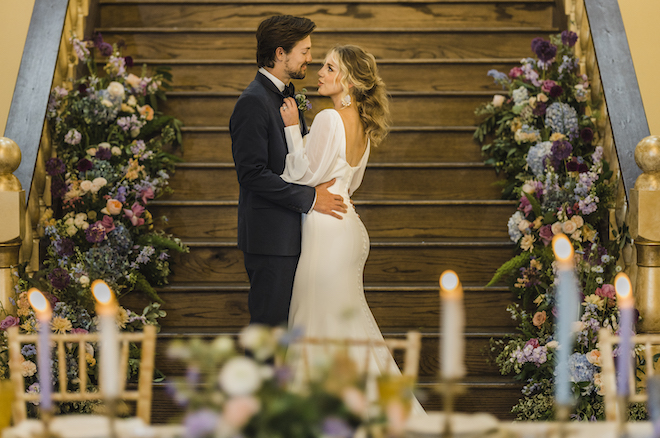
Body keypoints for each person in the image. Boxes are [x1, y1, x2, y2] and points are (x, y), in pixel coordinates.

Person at [279, 45, 425, 415]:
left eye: (330, 67)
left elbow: (299, 174)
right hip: (348, 228)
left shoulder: (330, 118)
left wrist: (293, 130)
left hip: (327, 231)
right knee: (345, 325)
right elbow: (349, 182)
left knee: (317, 324)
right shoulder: (362, 123)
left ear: (348, 80)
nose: (321, 72)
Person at [230, 15, 347, 327]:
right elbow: (252, 174)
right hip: (271, 238)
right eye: (304, 50)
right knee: (269, 330)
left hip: (292, 236)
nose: (310, 58)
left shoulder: (285, 95)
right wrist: (310, 198)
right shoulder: (253, 101)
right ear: (280, 53)